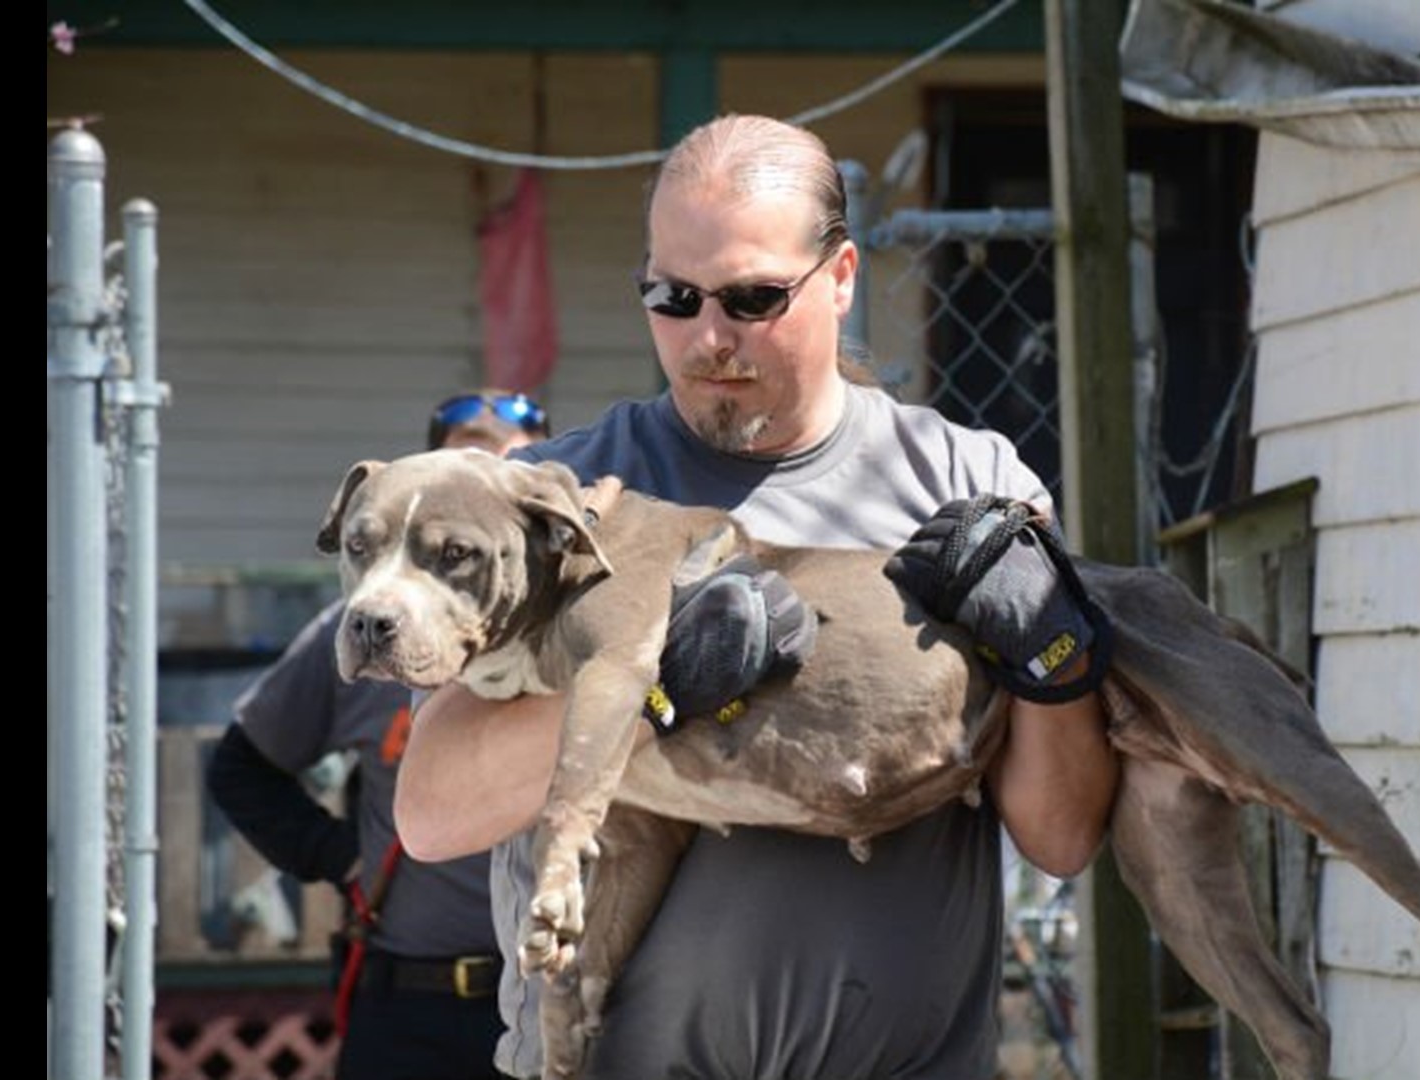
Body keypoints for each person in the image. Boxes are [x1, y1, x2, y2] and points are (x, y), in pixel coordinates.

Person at [396, 114, 1119, 1080]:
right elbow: (433, 811)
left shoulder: (965, 482)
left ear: (844, 276)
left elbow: (1061, 837)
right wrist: (651, 692)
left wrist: (1056, 666)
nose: (708, 337)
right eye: (672, 295)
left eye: (752, 297)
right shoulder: (561, 500)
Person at [206, 389, 551, 1080]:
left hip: (559, 998)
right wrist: (341, 856)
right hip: (413, 1005)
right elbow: (240, 768)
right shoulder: (367, 628)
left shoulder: (578, 635)